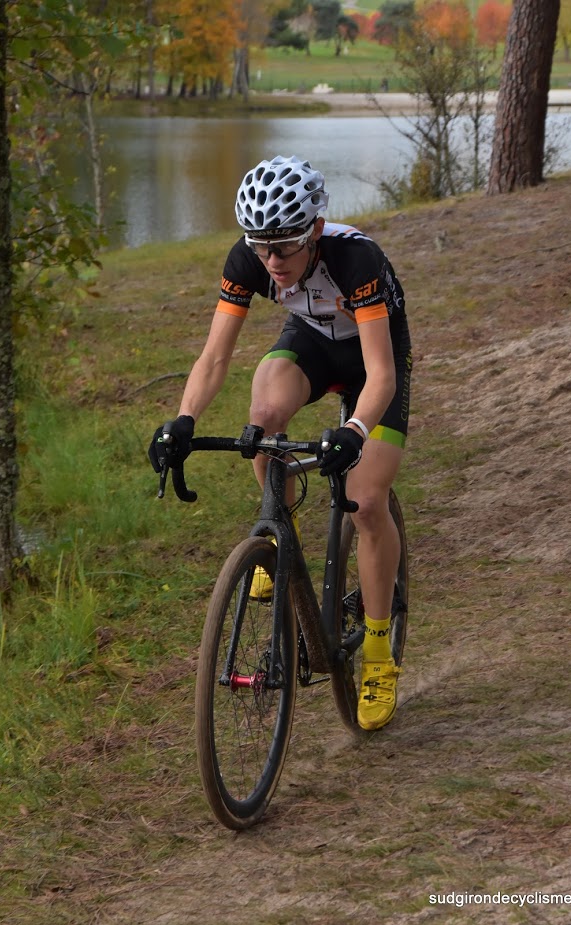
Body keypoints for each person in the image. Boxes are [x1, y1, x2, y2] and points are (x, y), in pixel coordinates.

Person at [149, 155, 412, 731]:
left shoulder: (355, 258)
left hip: (374, 358)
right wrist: (183, 418)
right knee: (263, 416)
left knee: (365, 501)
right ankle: (277, 530)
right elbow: (215, 356)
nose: (272, 262)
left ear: (314, 230)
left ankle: (376, 651)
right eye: (261, 246)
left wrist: (354, 430)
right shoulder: (249, 259)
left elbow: (382, 375)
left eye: (285, 248)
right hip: (313, 343)